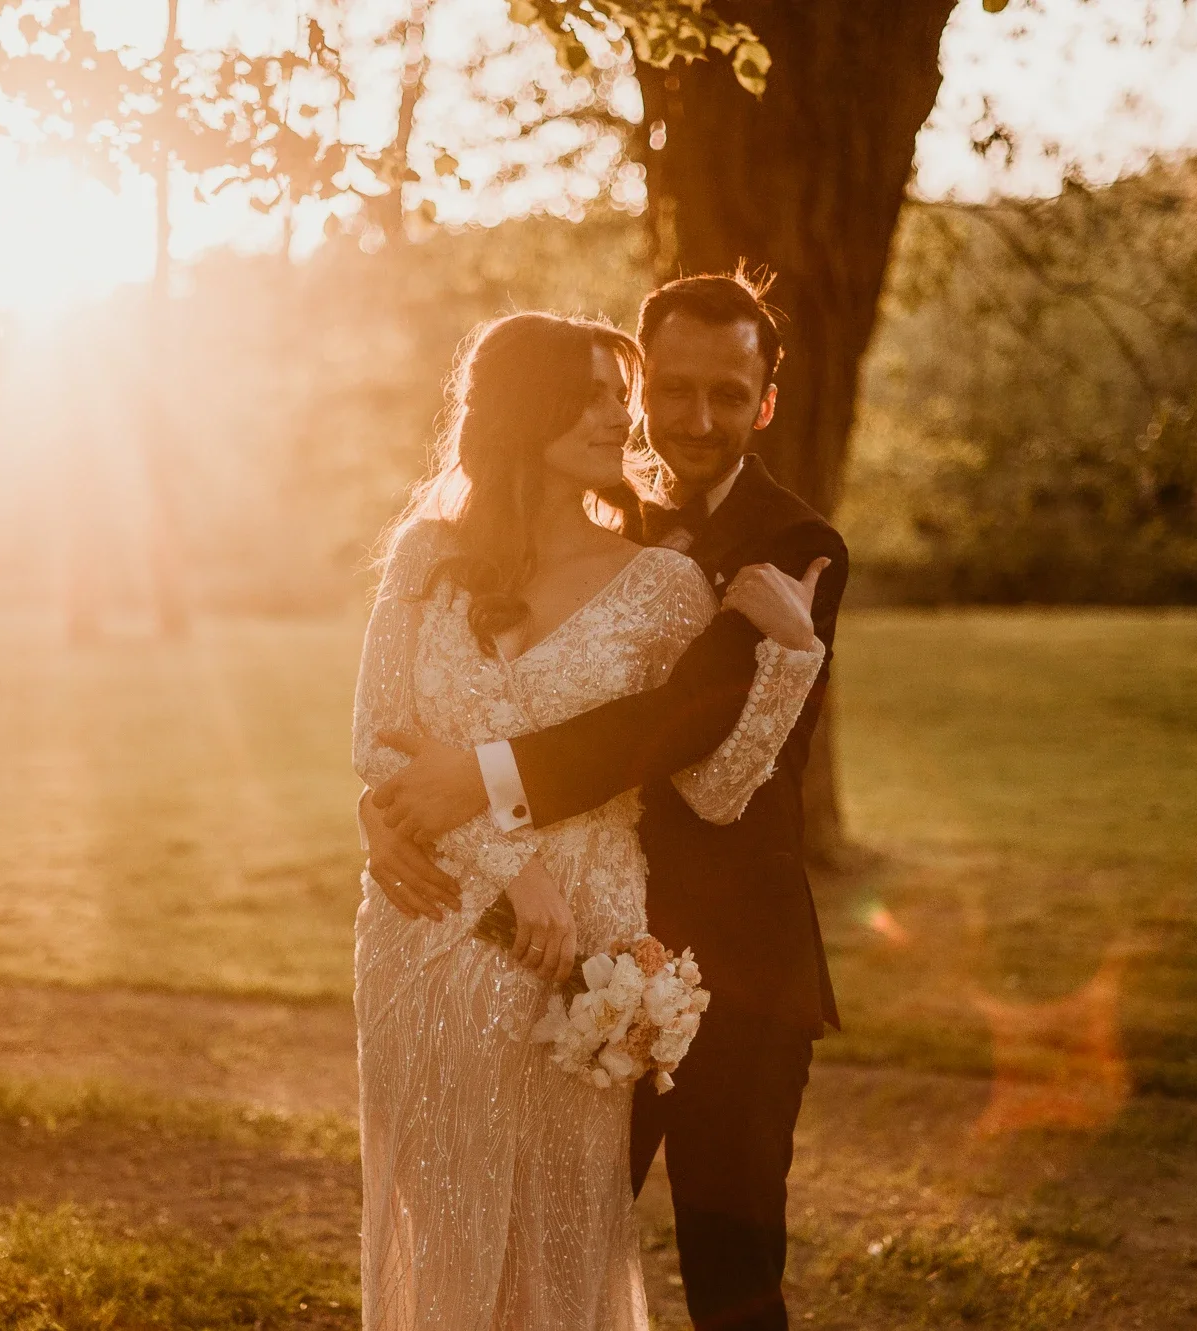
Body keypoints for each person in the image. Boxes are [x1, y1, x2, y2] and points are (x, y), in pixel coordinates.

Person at [366, 272, 848, 1331]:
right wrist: (394, 805)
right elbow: (399, 724)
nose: (692, 419)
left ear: (765, 400)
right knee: (527, 1244)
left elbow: (668, 742)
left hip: (728, 963)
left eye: (729, 395)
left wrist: (793, 649)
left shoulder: (790, 547)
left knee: (727, 1274)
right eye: (670, 389)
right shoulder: (571, 526)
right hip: (551, 941)